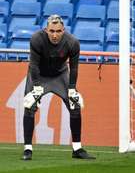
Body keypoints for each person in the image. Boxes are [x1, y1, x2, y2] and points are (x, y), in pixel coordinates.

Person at [22, 14, 95, 160]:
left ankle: (77, 148)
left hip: (60, 75)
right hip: (39, 75)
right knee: (29, 106)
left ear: (64, 30)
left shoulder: (73, 42)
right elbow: (34, 65)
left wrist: (72, 88)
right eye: (52, 31)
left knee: (75, 105)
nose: (55, 35)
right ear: (46, 30)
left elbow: (74, 68)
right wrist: (36, 87)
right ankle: (28, 149)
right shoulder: (36, 39)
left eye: (58, 31)